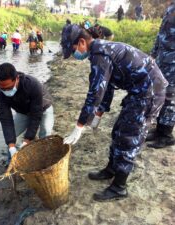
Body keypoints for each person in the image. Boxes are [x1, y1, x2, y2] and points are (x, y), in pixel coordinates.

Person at [61, 24, 167, 201]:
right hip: (138, 91)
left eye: (73, 51)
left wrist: (80, 125)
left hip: (150, 93)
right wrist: (99, 114)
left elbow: (95, 93)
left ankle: (119, 187)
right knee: (117, 131)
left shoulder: (100, 54)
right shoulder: (100, 50)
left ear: (81, 42)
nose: (74, 55)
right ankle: (111, 170)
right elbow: (107, 86)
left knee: (129, 137)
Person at [0, 63, 54, 163]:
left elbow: (36, 115)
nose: (5, 91)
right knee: (12, 136)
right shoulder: (0, 94)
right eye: (2, 88)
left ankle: (43, 161)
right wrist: (11, 145)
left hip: (43, 108)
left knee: (45, 132)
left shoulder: (32, 84)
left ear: (17, 78)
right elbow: (5, 119)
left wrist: (27, 140)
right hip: (23, 112)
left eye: (8, 88)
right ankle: (11, 164)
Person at [147, 0, 175, 148]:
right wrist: (153, 53)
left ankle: (166, 135)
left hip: (173, 63)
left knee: (170, 98)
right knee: (160, 94)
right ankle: (159, 130)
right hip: (163, 59)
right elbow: (161, 33)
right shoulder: (171, 7)